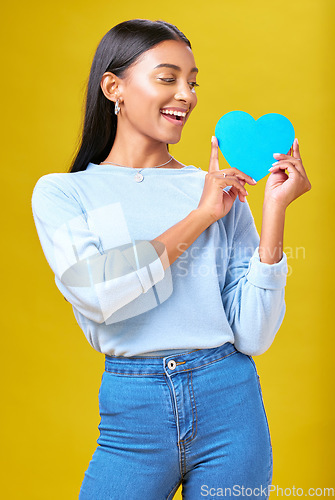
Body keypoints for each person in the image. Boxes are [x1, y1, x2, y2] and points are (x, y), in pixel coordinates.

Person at [31, 18, 311, 500]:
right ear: (113, 87)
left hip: (231, 405)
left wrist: (272, 213)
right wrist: (201, 215)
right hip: (132, 417)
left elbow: (253, 333)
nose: (187, 94)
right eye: (168, 78)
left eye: (193, 81)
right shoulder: (64, 192)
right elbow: (101, 295)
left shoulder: (220, 186)